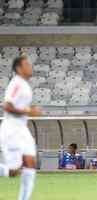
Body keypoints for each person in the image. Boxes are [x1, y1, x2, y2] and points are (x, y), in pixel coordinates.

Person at [0, 56, 43, 200]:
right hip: (11, 130)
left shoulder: (25, 84)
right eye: (27, 64)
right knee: (13, 172)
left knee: (31, 164)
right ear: (19, 68)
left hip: (22, 130)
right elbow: (7, 105)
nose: (30, 66)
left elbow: (20, 106)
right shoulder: (16, 84)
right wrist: (29, 111)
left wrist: (31, 109)